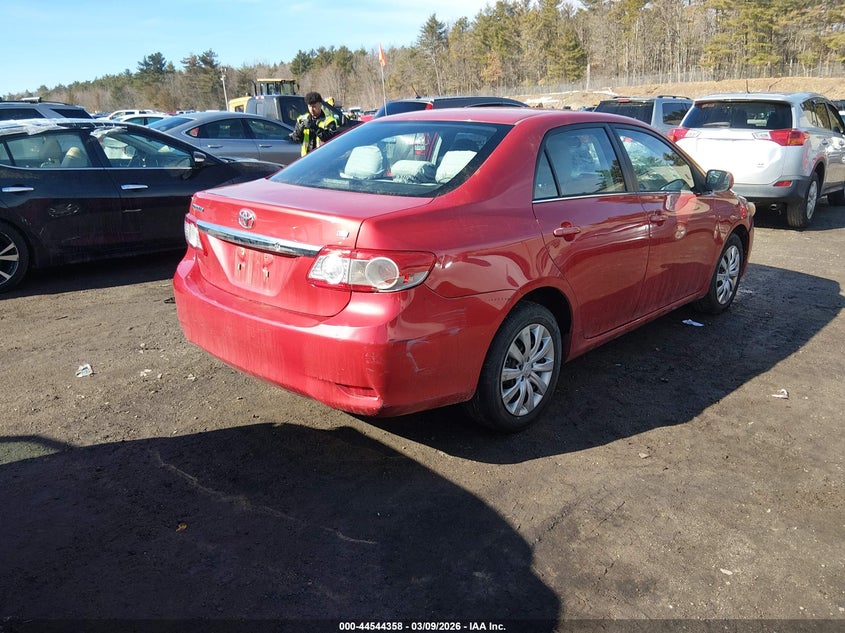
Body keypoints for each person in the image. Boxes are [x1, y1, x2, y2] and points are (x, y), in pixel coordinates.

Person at [289, 92, 338, 156]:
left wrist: (314, 127)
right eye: (309, 106)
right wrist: (299, 130)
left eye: (314, 106)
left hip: (323, 157)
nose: (311, 109)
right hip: (306, 157)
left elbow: (330, 139)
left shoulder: (329, 121)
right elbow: (296, 139)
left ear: (320, 104)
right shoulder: (302, 119)